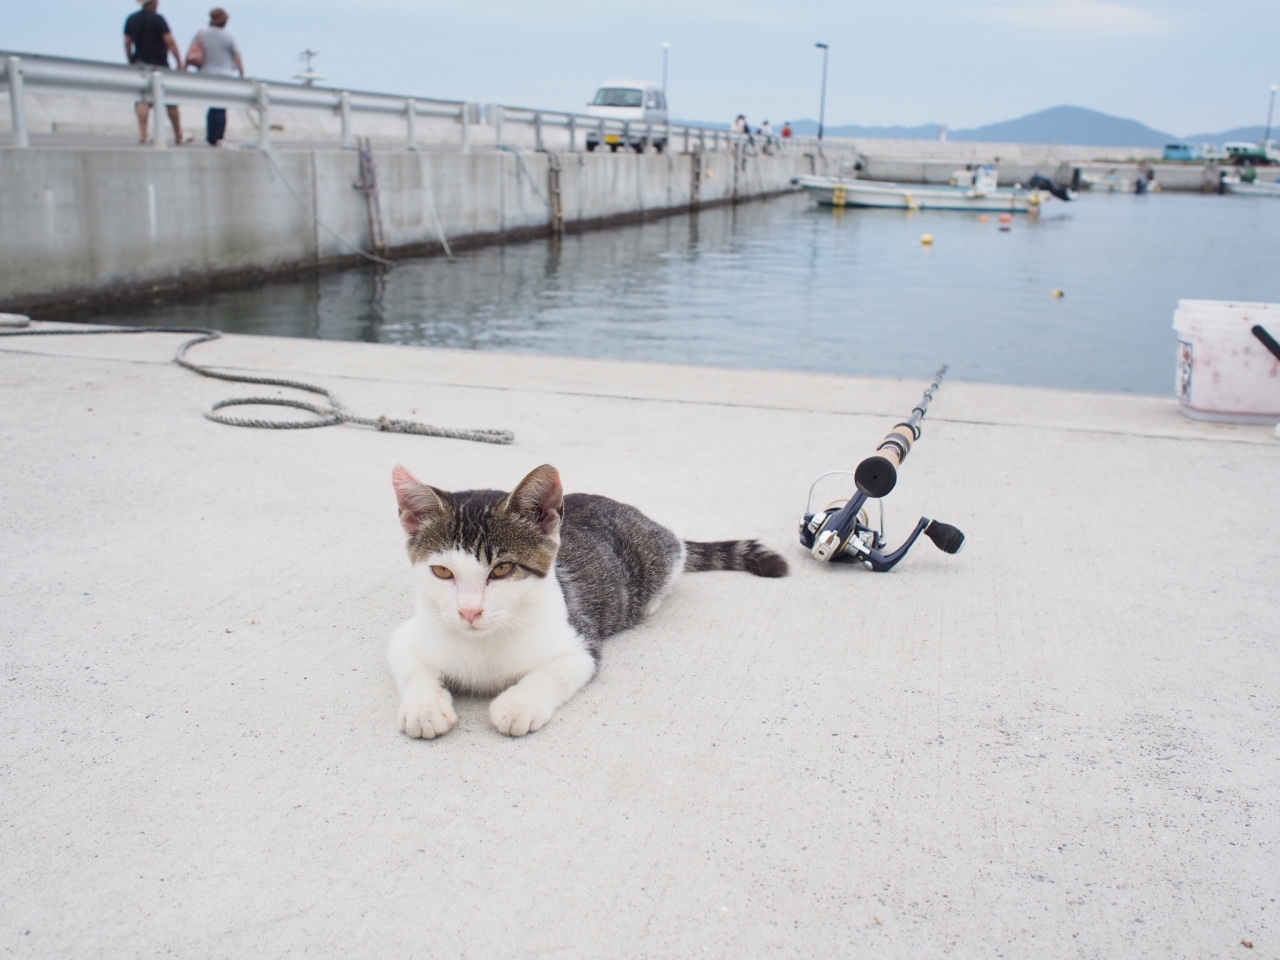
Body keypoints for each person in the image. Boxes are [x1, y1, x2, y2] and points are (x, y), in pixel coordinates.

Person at [124, 0, 185, 144]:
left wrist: (131, 58)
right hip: (160, 63)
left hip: (140, 64)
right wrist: (179, 61)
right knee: (171, 101)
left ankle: (143, 134)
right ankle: (178, 134)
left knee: (143, 99)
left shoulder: (132, 19)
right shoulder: (158, 19)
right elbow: (169, 40)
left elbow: (127, 42)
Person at [187, 8, 244, 146]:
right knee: (221, 107)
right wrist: (242, 72)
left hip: (206, 73)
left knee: (212, 105)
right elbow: (237, 55)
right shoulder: (227, 37)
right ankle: (218, 136)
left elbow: (191, 50)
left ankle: (211, 135)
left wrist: (185, 67)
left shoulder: (202, 34)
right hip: (223, 74)